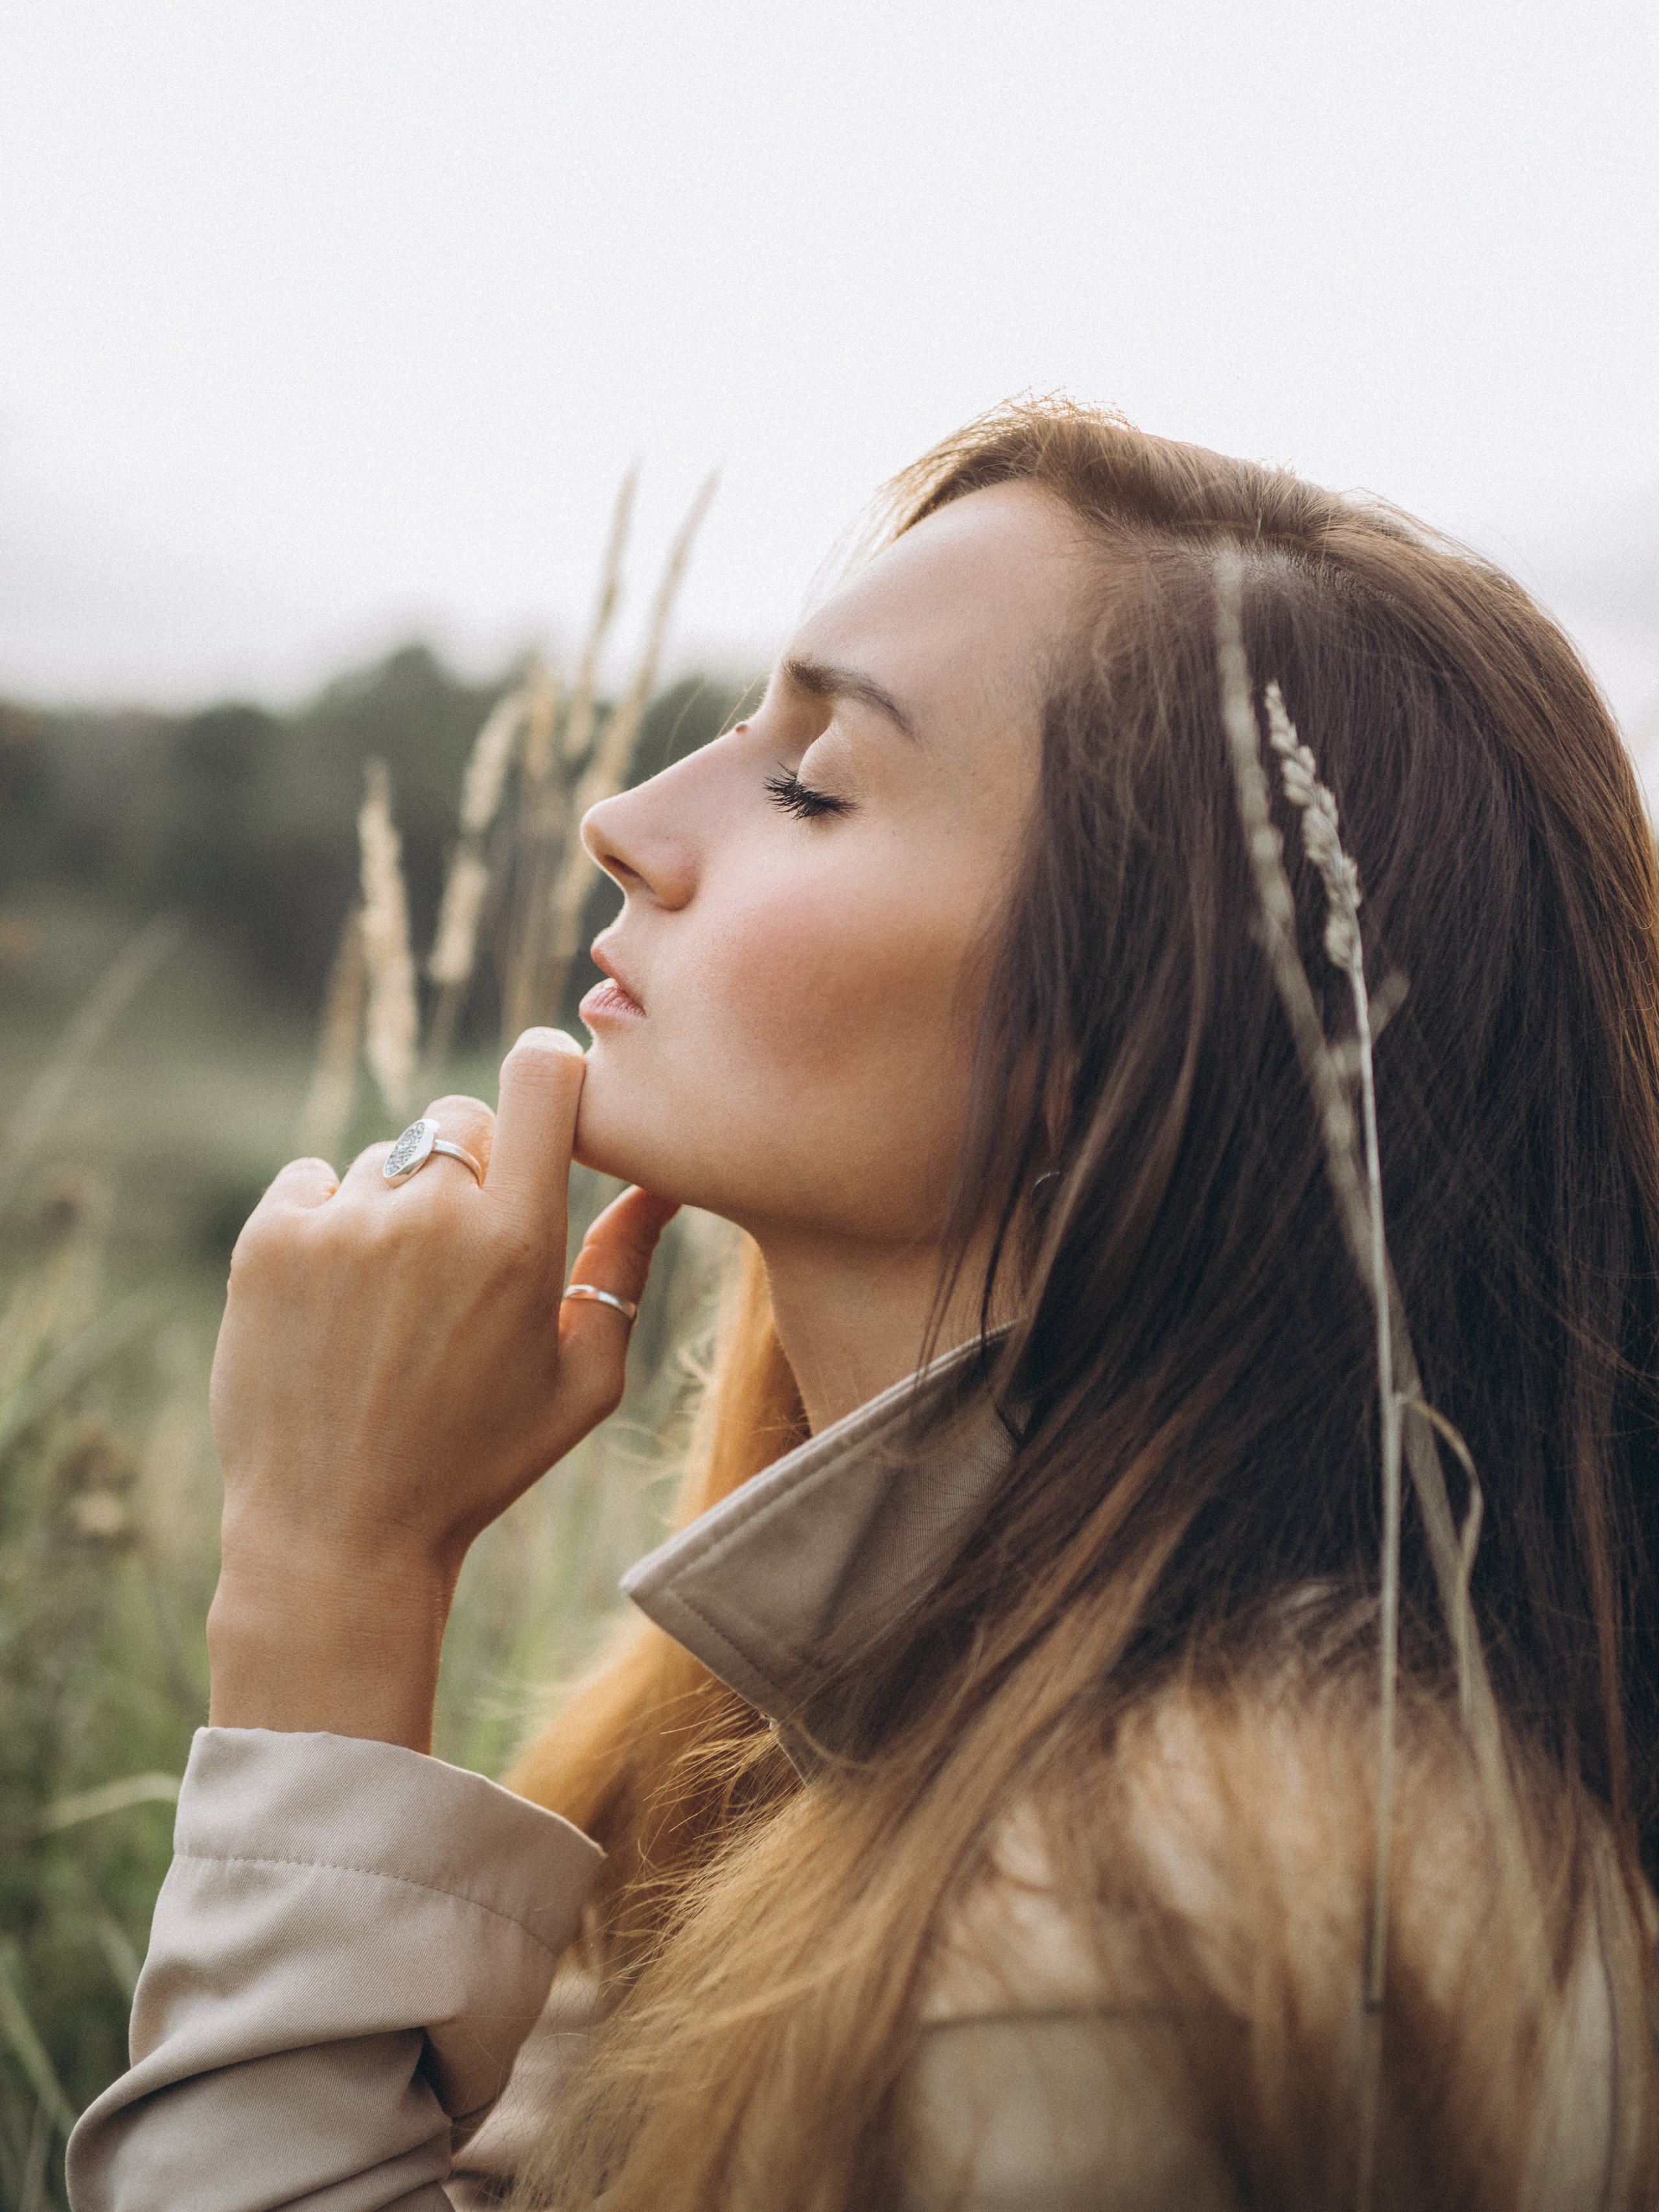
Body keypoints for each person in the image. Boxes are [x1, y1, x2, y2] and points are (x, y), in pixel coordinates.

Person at [67, 400, 1659, 2211]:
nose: (623, 822)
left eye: (813, 784)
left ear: (1125, 1039)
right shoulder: (821, 1727)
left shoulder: (1144, 1952)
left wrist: (327, 1572)